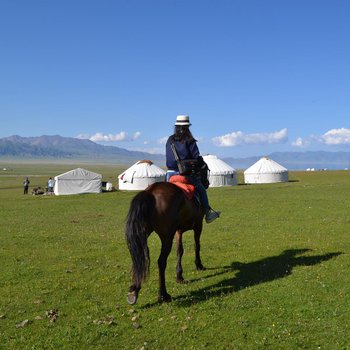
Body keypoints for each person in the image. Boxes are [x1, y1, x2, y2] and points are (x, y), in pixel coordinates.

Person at [165, 115, 220, 223]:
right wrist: (202, 165)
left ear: (176, 126)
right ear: (187, 127)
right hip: (184, 174)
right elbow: (196, 157)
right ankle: (208, 213)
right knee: (201, 189)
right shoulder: (189, 140)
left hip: (170, 174)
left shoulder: (170, 139)